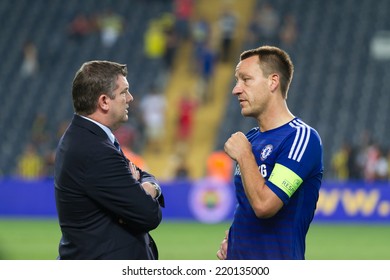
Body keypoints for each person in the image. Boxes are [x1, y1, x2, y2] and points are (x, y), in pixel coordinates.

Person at [216, 46, 323, 260]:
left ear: (273, 82)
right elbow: (247, 206)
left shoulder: (301, 138)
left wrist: (245, 154)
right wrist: (236, 241)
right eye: (237, 81)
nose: (236, 89)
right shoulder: (253, 138)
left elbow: (264, 206)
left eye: (245, 79)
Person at [54, 60, 164, 260]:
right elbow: (148, 215)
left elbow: (142, 174)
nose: (130, 98)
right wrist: (143, 189)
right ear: (104, 101)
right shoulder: (94, 150)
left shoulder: (89, 137)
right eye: (124, 92)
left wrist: (146, 186)